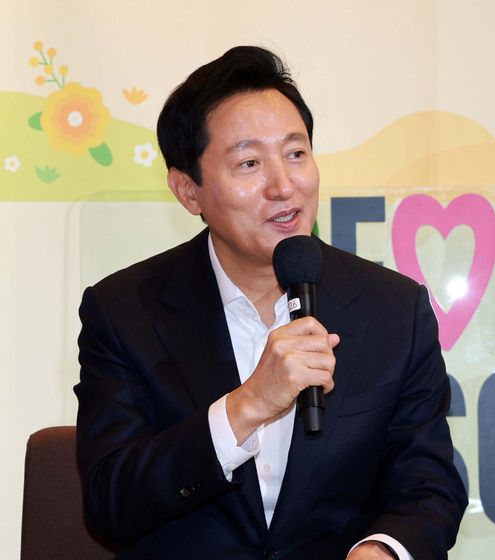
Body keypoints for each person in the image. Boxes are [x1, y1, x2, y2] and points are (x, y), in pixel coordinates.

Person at [74, 46, 467, 560]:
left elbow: (429, 487)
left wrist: (383, 550)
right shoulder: (125, 311)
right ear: (188, 191)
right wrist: (249, 405)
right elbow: (110, 502)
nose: (284, 186)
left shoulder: (393, 309)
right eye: (250, 163)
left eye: (296, 154)